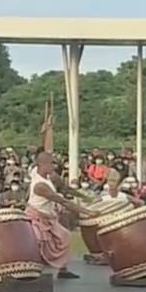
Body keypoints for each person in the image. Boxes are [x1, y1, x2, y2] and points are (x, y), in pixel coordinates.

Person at [25, 104, 97, 279]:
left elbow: (65, 189)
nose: (53, 166)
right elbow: (62, 200)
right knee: (36, 242)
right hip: (36, 217)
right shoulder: (39, 184)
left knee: (64, 236)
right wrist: (86, 211)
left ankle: (63, 270)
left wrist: (85, 197)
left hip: (49, 217)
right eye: (50, 164)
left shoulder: (49, 176)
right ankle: (32, 271)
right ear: (41, 165)